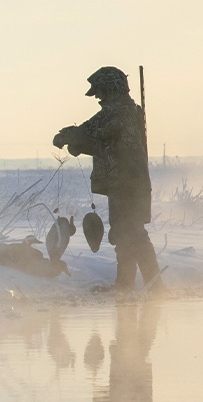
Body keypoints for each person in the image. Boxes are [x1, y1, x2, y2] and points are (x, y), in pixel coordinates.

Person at [53, 66, 164, 294]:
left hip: (127, 186)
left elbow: (92, 131)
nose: (99, 98)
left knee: (131, 234)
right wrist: (78, 145)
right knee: (125, 234)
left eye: (101, 92)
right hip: (126, 184)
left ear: (111, 89)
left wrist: (67, 136)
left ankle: (151, 287)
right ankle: (129, 285)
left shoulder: (119, 112)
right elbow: (104, 144)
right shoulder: (126, 112)